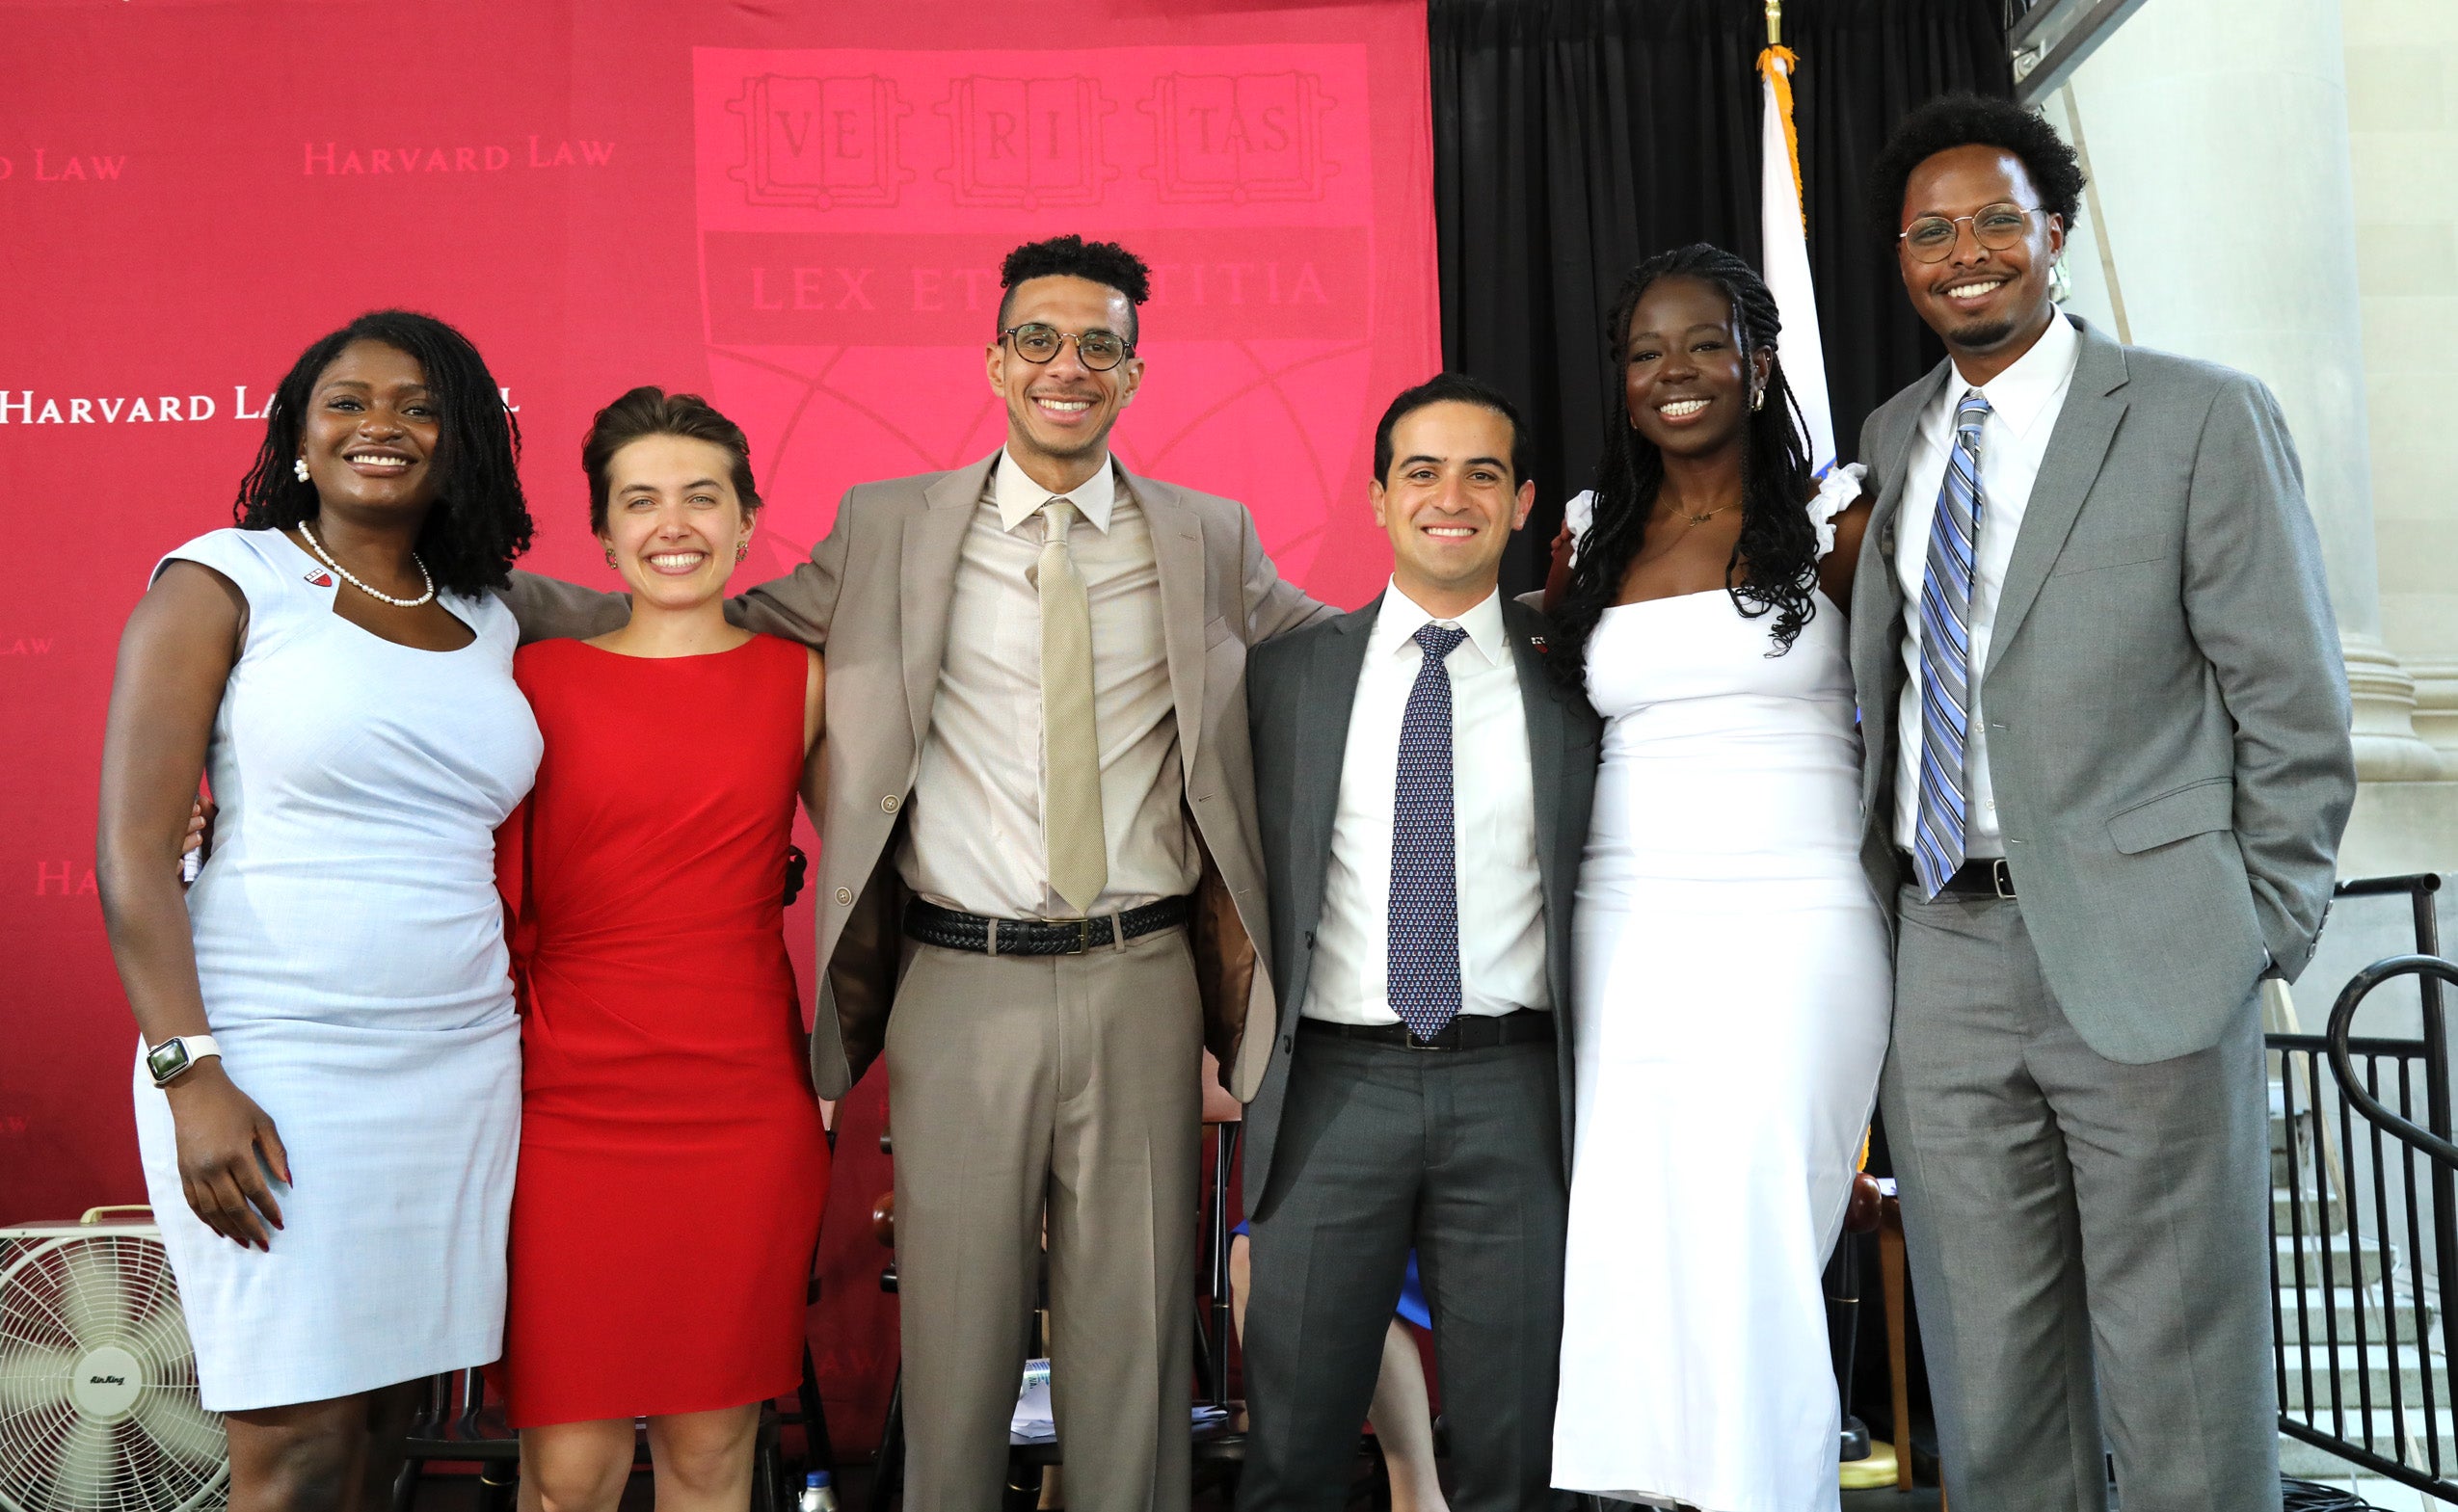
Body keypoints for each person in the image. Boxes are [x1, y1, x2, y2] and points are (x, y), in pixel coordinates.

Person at [498, 234, 1333, 1512]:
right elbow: (708, 619)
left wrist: (1524, 634)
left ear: (1133, 373)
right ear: (995, 362)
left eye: (1098, 345)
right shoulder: (888, 525)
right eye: (1038, 339)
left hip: (1145, 976)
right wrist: (445, 606)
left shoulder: (1208, 535)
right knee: (953, 1360)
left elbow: (1338, 652)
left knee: (1135, 1355)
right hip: (956, 978)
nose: (1066, 365)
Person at [1849, 95, 2355, 1511]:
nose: (1965, 252)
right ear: (1900, 259)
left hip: (2149, 947)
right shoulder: (1891, 440)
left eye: (1995, 221)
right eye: (1931, 232)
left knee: (2180, 1363)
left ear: (2055, 232)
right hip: (1942, 950)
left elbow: (2294, 706)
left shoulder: (2199, 415)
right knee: (1991, 1373)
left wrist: (2251, 930)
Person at [95, 311, 541, 1512]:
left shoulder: (494, 616)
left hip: (458, 1064)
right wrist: (190, 1072)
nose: (380, 425)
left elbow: (662, 638)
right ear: (298, 433)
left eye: (419, 407)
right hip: (270, 1059)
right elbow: (132, 854)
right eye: (347, 401)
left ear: (461, 443)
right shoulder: (221, 581)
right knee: (293, 1444)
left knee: (382, 1428)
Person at [1541, 244, 1892, 1511]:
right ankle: (1645, 1491)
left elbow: (1924, 705)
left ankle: (1766, 1489)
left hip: (1801, 913)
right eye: (1645, 352)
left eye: (1702, 343)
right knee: (1635, 1222)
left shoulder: (1840, 520)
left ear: (1758, 359)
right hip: (1624, 919)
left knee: (1759, 1216)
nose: (1674, 372)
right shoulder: (1588, 536)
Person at [1237, 374, 1598, 1512]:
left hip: (1515, 1090)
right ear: (1380, 499)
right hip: (1329, 1092)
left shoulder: (1576, 674)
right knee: (1291, 1452)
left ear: (1523, 502)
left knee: (1518, 1454)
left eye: (1483, 474)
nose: (1452, 498)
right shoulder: (1287, 676)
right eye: (1422, 472)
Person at [489, 389, 828, 1512]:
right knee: (569, 1472)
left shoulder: (804, 681)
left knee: (712, 1455)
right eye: (640, 501)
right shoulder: (532, 683)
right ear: (601, 534)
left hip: (742, 1110)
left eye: (702, 497)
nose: (672, 524)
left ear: (747, 522)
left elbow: (895, 855)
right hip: (562, 1109)